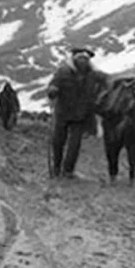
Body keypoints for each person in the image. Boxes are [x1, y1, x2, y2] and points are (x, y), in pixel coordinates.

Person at [46, 47, 108, 178]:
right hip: (62, 113)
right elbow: (54, 84)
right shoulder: (63, 72)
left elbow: (108, 80)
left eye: (86, 59)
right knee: (58, 141)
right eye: (80, 58)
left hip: (81, 115)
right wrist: (52, 90)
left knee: (75, 144)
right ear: (74, 59)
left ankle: (68, 171)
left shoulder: (94, 75)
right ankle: (56, 168)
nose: (83, 61)